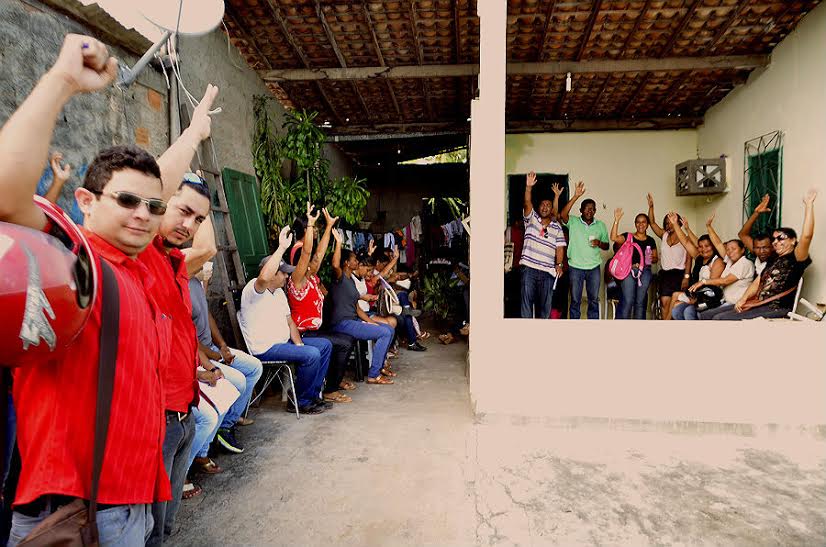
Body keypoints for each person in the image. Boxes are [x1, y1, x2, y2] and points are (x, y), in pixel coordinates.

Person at [0, 34, 167, 545]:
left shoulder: (139, 269)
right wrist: (63, 81)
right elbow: (7, 197)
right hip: (79, 507)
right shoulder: (75, 259)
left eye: (153, 206)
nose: (143, 213)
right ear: (86, 201)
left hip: (131, 501)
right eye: (127, 200)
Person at [239, 227, 331, 414]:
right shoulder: (254, 290)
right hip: (266, 349)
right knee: (312, 354)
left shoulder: (279, 293)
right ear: (272, 273)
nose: (287, 276)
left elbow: (290, 323)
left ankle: (312, 395)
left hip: (284, 343)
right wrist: (281, 248)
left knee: (324, 345)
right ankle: (300, 401)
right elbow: (263, 277)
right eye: (283, 273)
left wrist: (298, 345)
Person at [188, 260, 263, 455]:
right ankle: (217, 435)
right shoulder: (180, 290)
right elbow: (188, 339)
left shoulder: (196, 284)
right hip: (201, 356)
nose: (209, 266)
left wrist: (222, 345)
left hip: (214, 349)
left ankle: (228, 421)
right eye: (204, 261)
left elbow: (208, 316)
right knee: (238, 381)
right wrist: (217, 356)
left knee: (254, 367)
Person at [287, 205, 356, 403]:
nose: (312, 262)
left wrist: (328, 228)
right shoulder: (297, 279)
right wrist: (311, 225)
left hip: (314, 330)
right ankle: (328, 389)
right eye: (306, 261)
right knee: (341, 343)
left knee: (344, 340)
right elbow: (310, 253)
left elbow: (316, 256)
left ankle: (325, 388)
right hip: (303, 334)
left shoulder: (310, 277)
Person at [714, 190, 816, 320]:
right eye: (774, 239)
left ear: (793, 240)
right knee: (709, 315)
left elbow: (807, 236)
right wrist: (743, 299)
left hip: (776, 307)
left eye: (781, 238)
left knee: (720, 319)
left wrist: (809, 205)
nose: (776, 242)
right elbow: (758, 281)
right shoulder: (772, 259)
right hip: (757, 303)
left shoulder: (796, 258)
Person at [329, 230, 396, 385]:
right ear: (346, 263)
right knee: (385, 333)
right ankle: (374, 374)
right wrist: (338, 243)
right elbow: (334, 264)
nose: (357, 262)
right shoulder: (341, 277)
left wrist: (370, 322)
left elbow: (357, 307)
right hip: (342, 323)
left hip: (353, 320)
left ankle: (378, 368)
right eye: (353, 260)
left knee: (389, 330)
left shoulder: (351, 281)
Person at [558, 181, 609, 320]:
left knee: (593, 299)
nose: (589, 211)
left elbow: (607, 246)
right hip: (575, 267)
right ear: (581, 210)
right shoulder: (573, 222)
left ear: (595, 211)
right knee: (575, 300)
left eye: (592, 208)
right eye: (586, 208)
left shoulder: (601, 225)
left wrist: (599, 243)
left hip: (594, 267)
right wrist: (575, 196)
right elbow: (562, 215)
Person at [519, 172, 566, 318]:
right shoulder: (531, 219)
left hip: (547, 272)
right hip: (529, 269)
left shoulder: (556, 227)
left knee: (545, 308)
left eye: (548, 205)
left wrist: (559, 264)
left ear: (552, 209)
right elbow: (527, 203)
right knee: (526, 305)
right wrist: (528, 187)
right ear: (538, 207)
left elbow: (560, 247)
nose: (545, 207)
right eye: (543, 205)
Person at [696, 214, 755, 320]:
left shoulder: (744, 263)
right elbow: (718, 244)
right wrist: (709, 226)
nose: (729, 251)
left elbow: (725, 281)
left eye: (733, 249)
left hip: (736, 303)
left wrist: (704, 281)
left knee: (710, 316)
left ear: (742, 250)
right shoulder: (730, 261)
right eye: (728, 249)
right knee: (701, 313)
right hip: (724, 301)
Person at [666, 214, 725, 320]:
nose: (704, 249)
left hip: (709, 298)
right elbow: (685, 242)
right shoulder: (699, 257)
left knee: (686, 309)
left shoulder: (717, 261)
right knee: (676, 310)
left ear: (713, 246)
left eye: (707, 246)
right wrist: (675, 224)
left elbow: (712, 286)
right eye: (701, 247)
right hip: (696, 295)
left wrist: (694, 298)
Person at [647, 194, 692, 320]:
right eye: (666, 223)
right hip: (665, 274)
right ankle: (664, 323)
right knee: (664, 302)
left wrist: (686, 277)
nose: (668, 225)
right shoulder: (664, 235)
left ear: (679, 223)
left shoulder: (685, 238)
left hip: (680, 274)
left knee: (677, 303)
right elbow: (652, 223)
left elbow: (689, 259)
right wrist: (651, 207)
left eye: (671, 222)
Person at [609, 208, 658, 319]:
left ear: (648, 225)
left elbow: (655, 259)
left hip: (644, 271)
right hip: (629, 271)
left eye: (644, 222)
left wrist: (651, 258)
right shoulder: (628, 237)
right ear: (635, 224)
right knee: (628, 300)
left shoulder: (651, 240)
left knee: (640, 301)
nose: (641, 224)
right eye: (638, 222)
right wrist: (616, 220)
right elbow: (613, 238)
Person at [738, 194, 776, 275]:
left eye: (765, 247)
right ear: (754, 249)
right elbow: (742, 234)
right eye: (758, 248)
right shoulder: (757, 253)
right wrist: (756, 213)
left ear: (772, 247)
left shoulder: (776, 261)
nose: (762, 251)